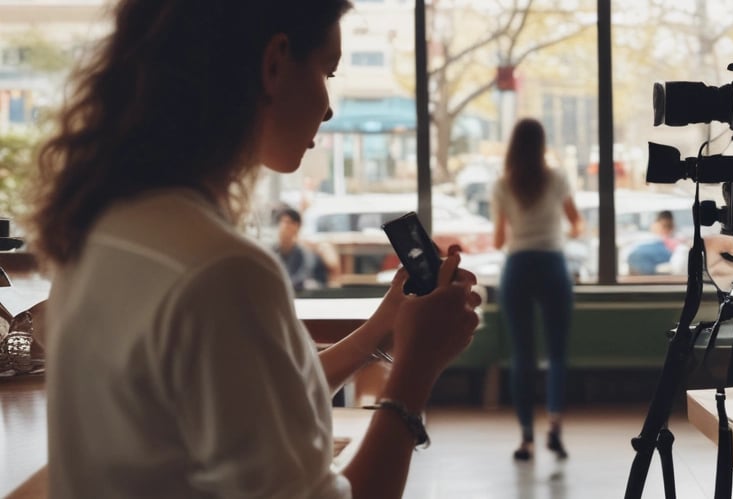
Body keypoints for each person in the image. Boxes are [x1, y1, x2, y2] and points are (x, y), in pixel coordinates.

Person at [25, 2, 481, 498]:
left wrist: (385, 328)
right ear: (274, 64)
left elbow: (257, 397)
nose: (329, 108)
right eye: (327, 71)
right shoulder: (222, 270)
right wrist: (415, 372)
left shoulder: (106, 229)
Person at [491, 117, 583, 461]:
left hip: (517, 268)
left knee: (521, 356)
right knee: (557, 353)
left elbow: (499, 238)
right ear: (542, 144)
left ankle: (526, 438)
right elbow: (576, 223)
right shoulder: (557, 178)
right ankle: (555, 425)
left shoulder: (503, 184)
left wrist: (519, 232)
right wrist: (563, 233)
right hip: (552, 264)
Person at [272, 205, 328, 292]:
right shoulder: (273, 252)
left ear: (296, 226)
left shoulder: (305, 254)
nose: (282, 227)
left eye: (287, 222)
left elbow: (302, 277)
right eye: (281, 222)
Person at [626, 210, 679, 275]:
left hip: (661, 248)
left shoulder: (671, 240)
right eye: (664, 226)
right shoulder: (650, 236)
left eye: (668, 226)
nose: (665, 229)